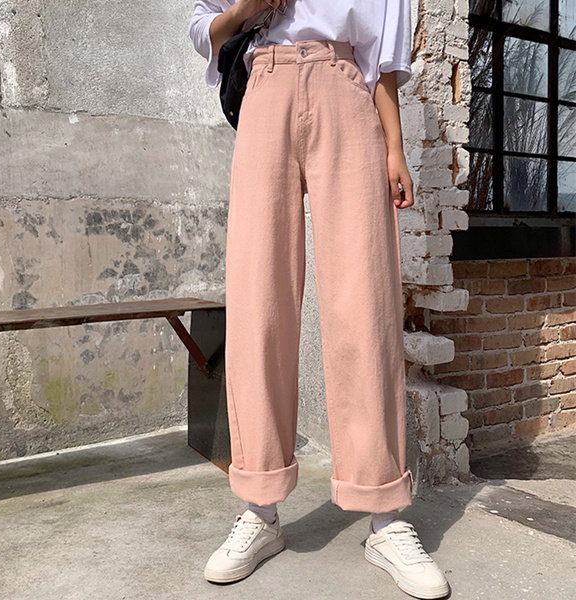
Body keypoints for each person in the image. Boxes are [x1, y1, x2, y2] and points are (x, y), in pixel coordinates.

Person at [188, 1, 450, 598]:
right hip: (265, 88)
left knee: (366, 306)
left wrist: (395, 146)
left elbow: (381, 55)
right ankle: (260, 508)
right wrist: (248, 9)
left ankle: (384, 513)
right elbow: (203, 27)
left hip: (345, 91)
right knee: (259, 306)